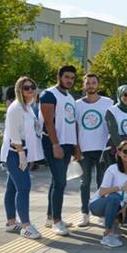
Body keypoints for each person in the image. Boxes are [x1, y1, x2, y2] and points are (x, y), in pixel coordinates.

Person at [0, 77, 43, 239]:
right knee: (24, 188)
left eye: (32, 87)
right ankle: (26, 226)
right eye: (26, 88)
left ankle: (11, 222)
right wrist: (22, 155)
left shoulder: (27, 106)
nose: (30, 90)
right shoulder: (16, 108)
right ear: (19, 90)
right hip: (15, 152)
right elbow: (14, 135)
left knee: (12, 188)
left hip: (21, 151)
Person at [40, 65, 78, 236]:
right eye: (66, 77)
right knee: (61, 182)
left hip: (68, 144)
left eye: (72, 78)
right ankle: (57, 221)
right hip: (54, 143)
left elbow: (72, 122)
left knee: (57, 181)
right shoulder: (49, 94)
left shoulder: (70, 97)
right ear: (59, 77)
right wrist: (55, 145)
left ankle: (51, 217)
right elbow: (48, 122)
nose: (69, 80)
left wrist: (75, 146)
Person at [89, 140, 127, 247]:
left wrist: (125, 207)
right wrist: (120, 187)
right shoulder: (112, 169)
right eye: (125, 151)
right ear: (119, 152)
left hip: (121, 205)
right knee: (114, 197)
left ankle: (115, 220)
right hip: (99, 204)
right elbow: (102, 192)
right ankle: (107, 234)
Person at [74, 73, 114, 227]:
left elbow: (112, 125)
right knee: (85, 183)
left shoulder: (108, 102)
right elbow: (75, 126)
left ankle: (100, 213)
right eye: (88, 83)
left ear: (98, 85)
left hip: (102, 149)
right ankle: (84, 213)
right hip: (84, 149)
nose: (91, 85)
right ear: (83, 85)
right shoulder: (77, 104)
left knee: (102, 182)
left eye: (93, 82)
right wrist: (76, 147)